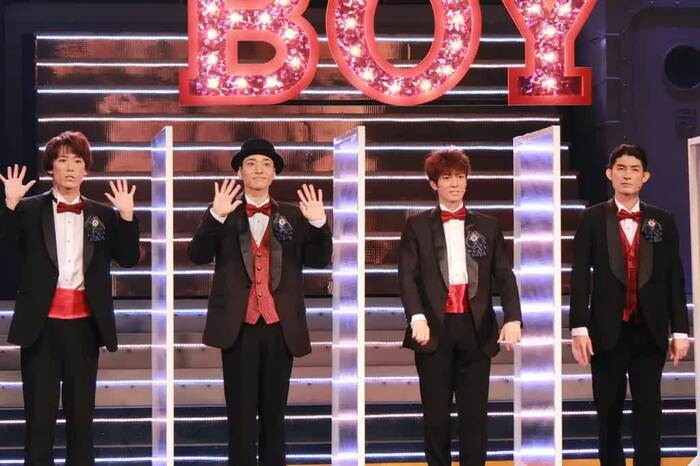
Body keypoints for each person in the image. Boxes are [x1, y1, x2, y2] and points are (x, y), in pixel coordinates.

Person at [187, 137, 332, 466]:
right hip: (238, 328)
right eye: (251, 163)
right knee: (240, 420)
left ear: (274, 174)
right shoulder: (224, 213)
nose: (259, 170)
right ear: (239, 172)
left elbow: (319, 259)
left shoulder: (294, 215)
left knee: (274, 418)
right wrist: (214, 216)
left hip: (280, 328)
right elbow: (197, 255)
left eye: (266, 164)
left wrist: (319, 224)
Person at [0, 131, 140, 465]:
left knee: (81, 421)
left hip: (85, 328)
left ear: (86, 169)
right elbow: (5, 245)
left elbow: (128, 258)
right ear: (51, 167)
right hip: (40, 328)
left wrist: (126, 217)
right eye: (62, 160)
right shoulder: (29, 209)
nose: (71, 167)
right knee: (39, 421)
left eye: (77, 161)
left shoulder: (101, 214)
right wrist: (9, 206)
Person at [398, 149, 522, 466]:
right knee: (436, 419)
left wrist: (513, 317)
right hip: (434, 329)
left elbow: (504, 275)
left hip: (476, 328)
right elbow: (407, 277)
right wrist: (416, 317)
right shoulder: (416, 226)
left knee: (475, 418)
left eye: (460, 177)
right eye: (447, 178)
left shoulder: (488, 226)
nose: (455, 184)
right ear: (433, 184)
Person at [570, 143, 690, 466]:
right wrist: (578, 327)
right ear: (609, 174)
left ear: (645, 177)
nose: (627, 175)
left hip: (649, 332)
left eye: (634, 170)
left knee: (649, 413)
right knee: (608, 415)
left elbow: (674, 277)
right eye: (621, 169)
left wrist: (680, 330)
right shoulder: (592, 218)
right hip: (606, 333)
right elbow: (579, 276)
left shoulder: (662, 221)